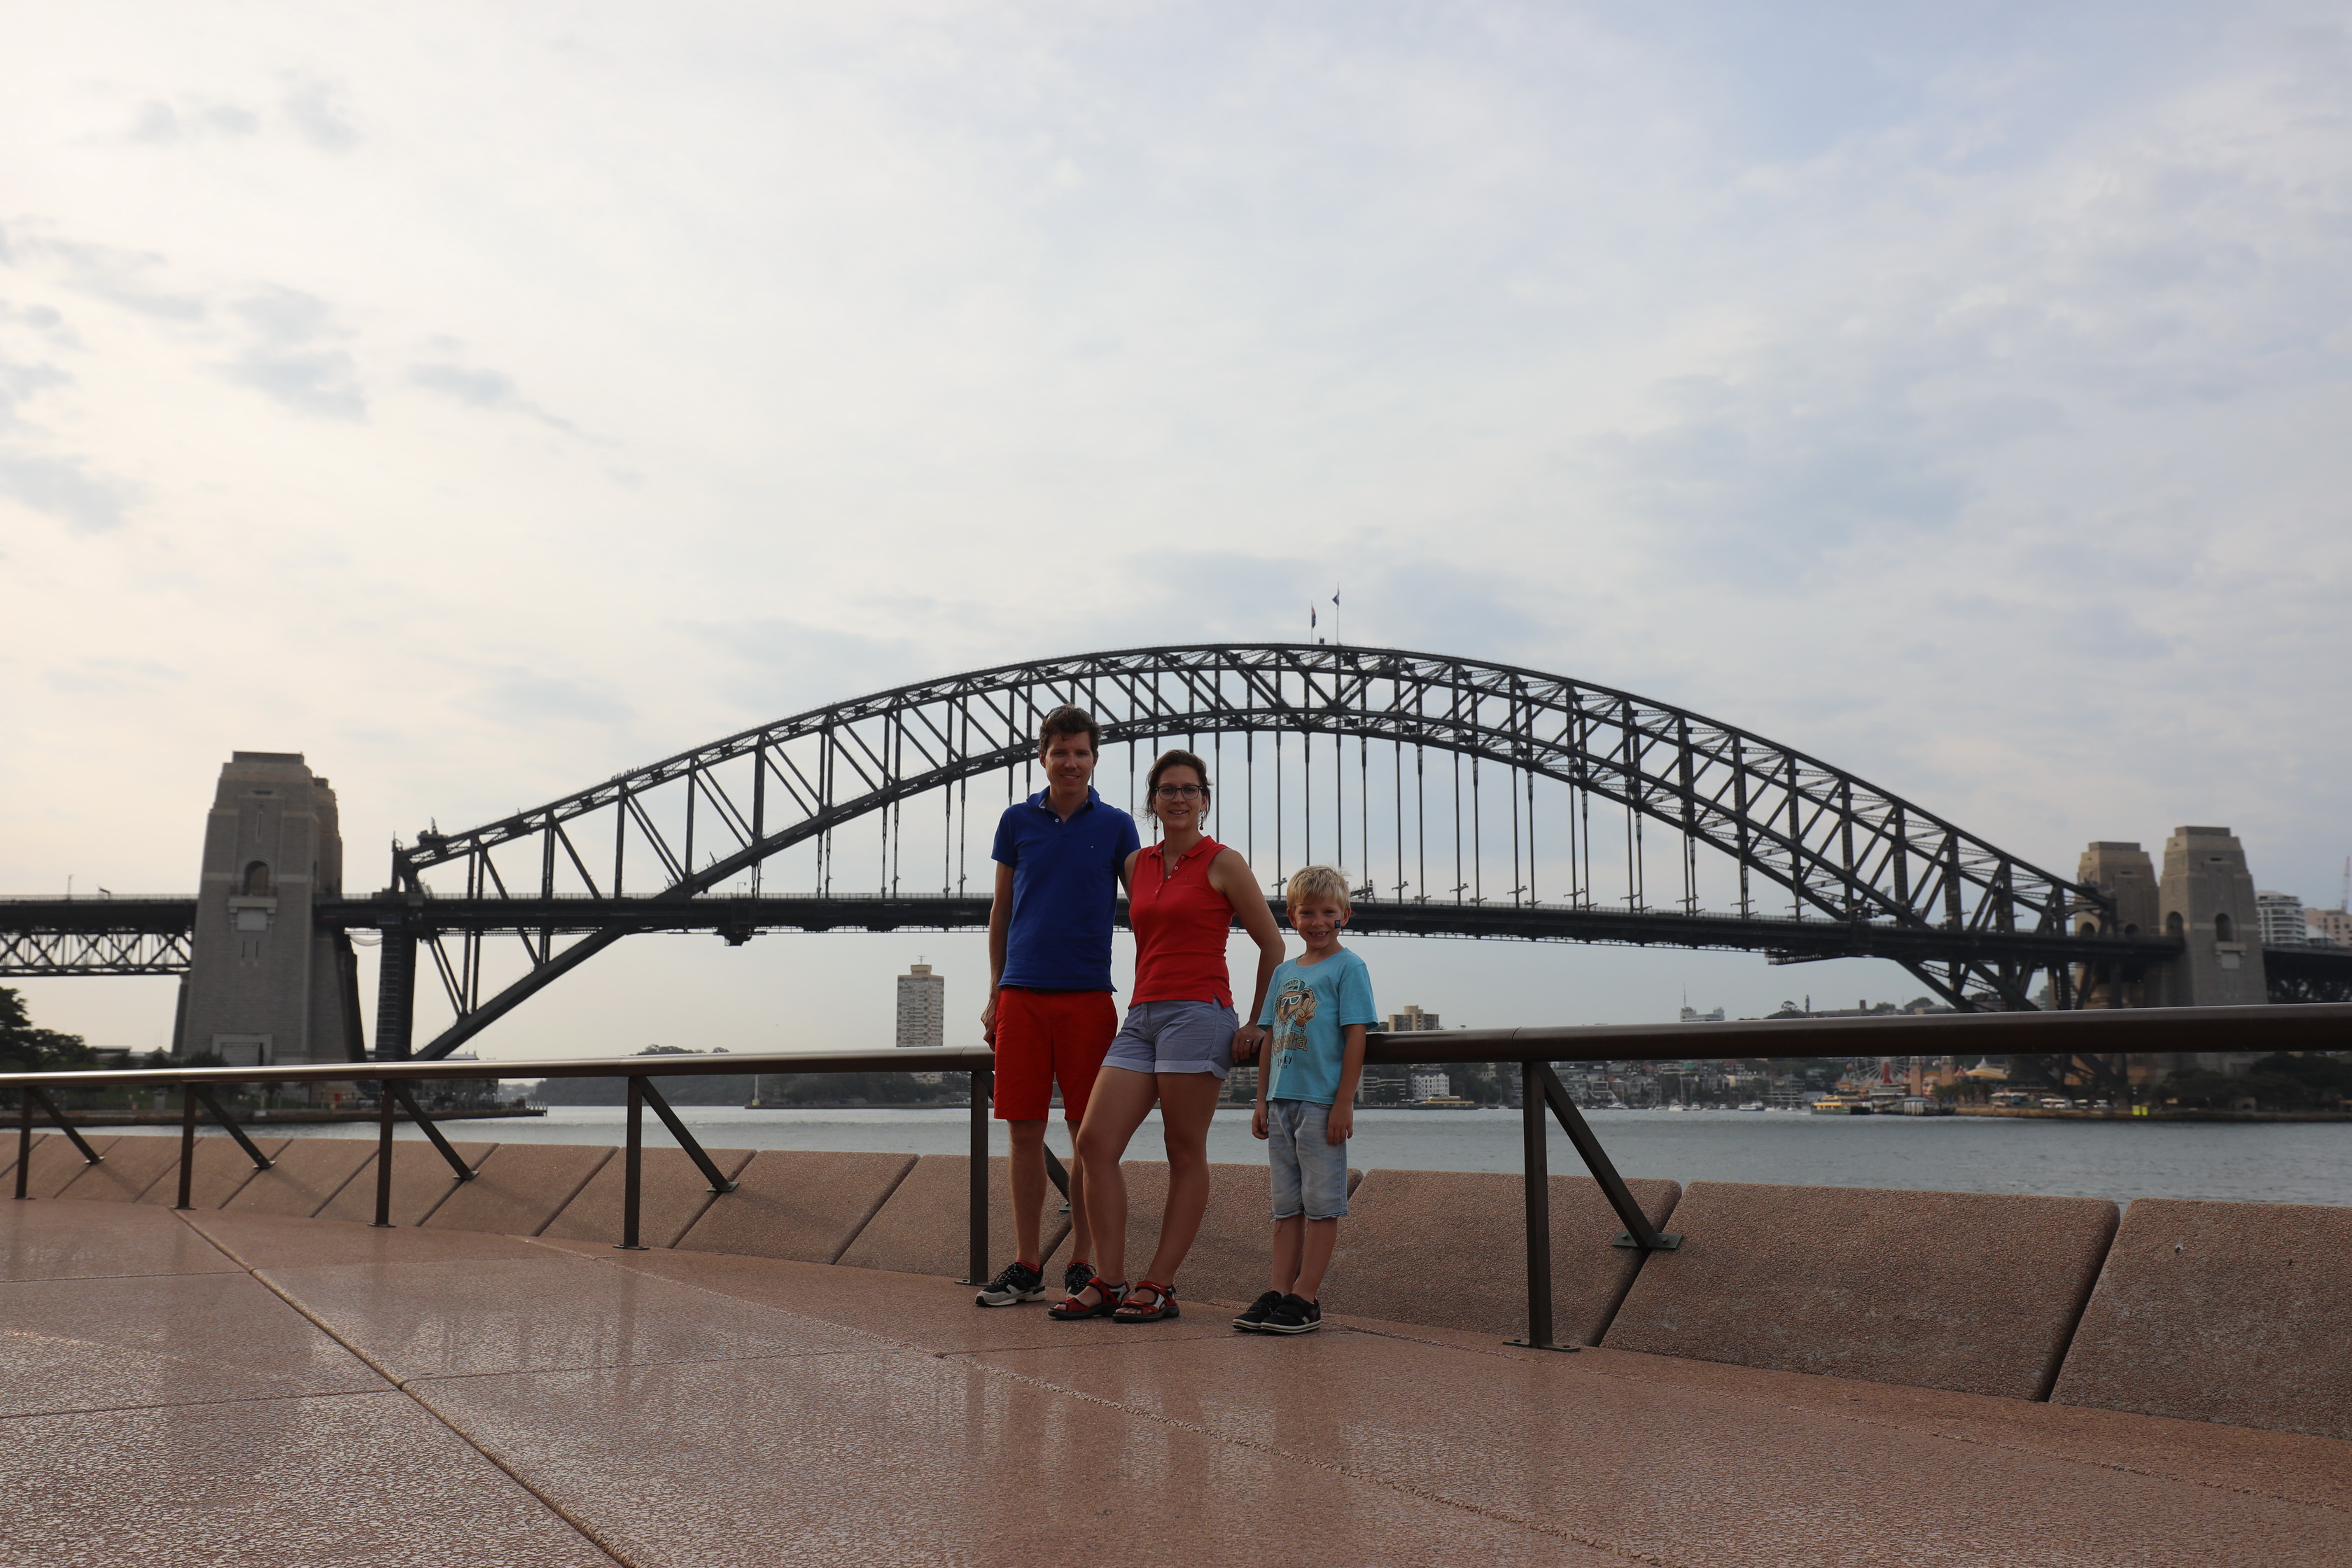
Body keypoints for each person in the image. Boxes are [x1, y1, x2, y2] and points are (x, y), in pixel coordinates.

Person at [1053, 748, 1287, 1323]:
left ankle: (1159, 1283)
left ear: (1204, 801)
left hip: (1198, 1014)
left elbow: (1274, 946)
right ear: (1152, 802)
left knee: (1183, 1151)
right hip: (1142, 1017)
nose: (1178, 798)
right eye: (1167, 789)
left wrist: (1259, 1021)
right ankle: (1108, 1279)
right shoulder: (1138, 866)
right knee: (1095, 1143)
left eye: (1189, 789)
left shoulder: (1223, 862)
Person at [972, 706, 1141, 1308]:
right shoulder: (1016, 821)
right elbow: (1001, 910)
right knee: (1024, 1131)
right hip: (1021, 992)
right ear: (1041, 756)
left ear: (1095, 759)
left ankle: (1082, 1263)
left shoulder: (1119, 826)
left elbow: (1146, 908)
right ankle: (1025, 1263)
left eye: (1082, 752)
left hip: (1088, 996)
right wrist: (996, 990)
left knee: (1085, 1133)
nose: (1071, 762)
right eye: (1060, 751)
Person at [1233, 864, 1377, 1335]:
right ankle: (1279, 1291)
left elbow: (1356, 1038)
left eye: (1328, 912)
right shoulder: (1284, 972)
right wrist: (1261, 1100)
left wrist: (1344, 1103)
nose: (1317, 921)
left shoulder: (1349, 967)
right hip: (1281, 1104)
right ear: (1292, 917)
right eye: (1307, 912)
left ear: (1345, 916)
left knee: (1322, 1205)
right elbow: (1272, 1041)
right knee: (1285, 1206)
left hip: (1320, 1105)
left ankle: (1306, 1298)